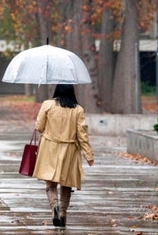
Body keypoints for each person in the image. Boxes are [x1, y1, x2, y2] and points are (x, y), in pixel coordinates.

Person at [32, 84, 94, 228]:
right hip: (69, 149)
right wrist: (88, 155)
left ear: (57, 90)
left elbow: (39, 127)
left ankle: (54, 206)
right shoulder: (78, 109)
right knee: (66, 183)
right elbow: (82, 134)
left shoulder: (48, 104)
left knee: (50, 182)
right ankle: (63, 213)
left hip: (49, 147)